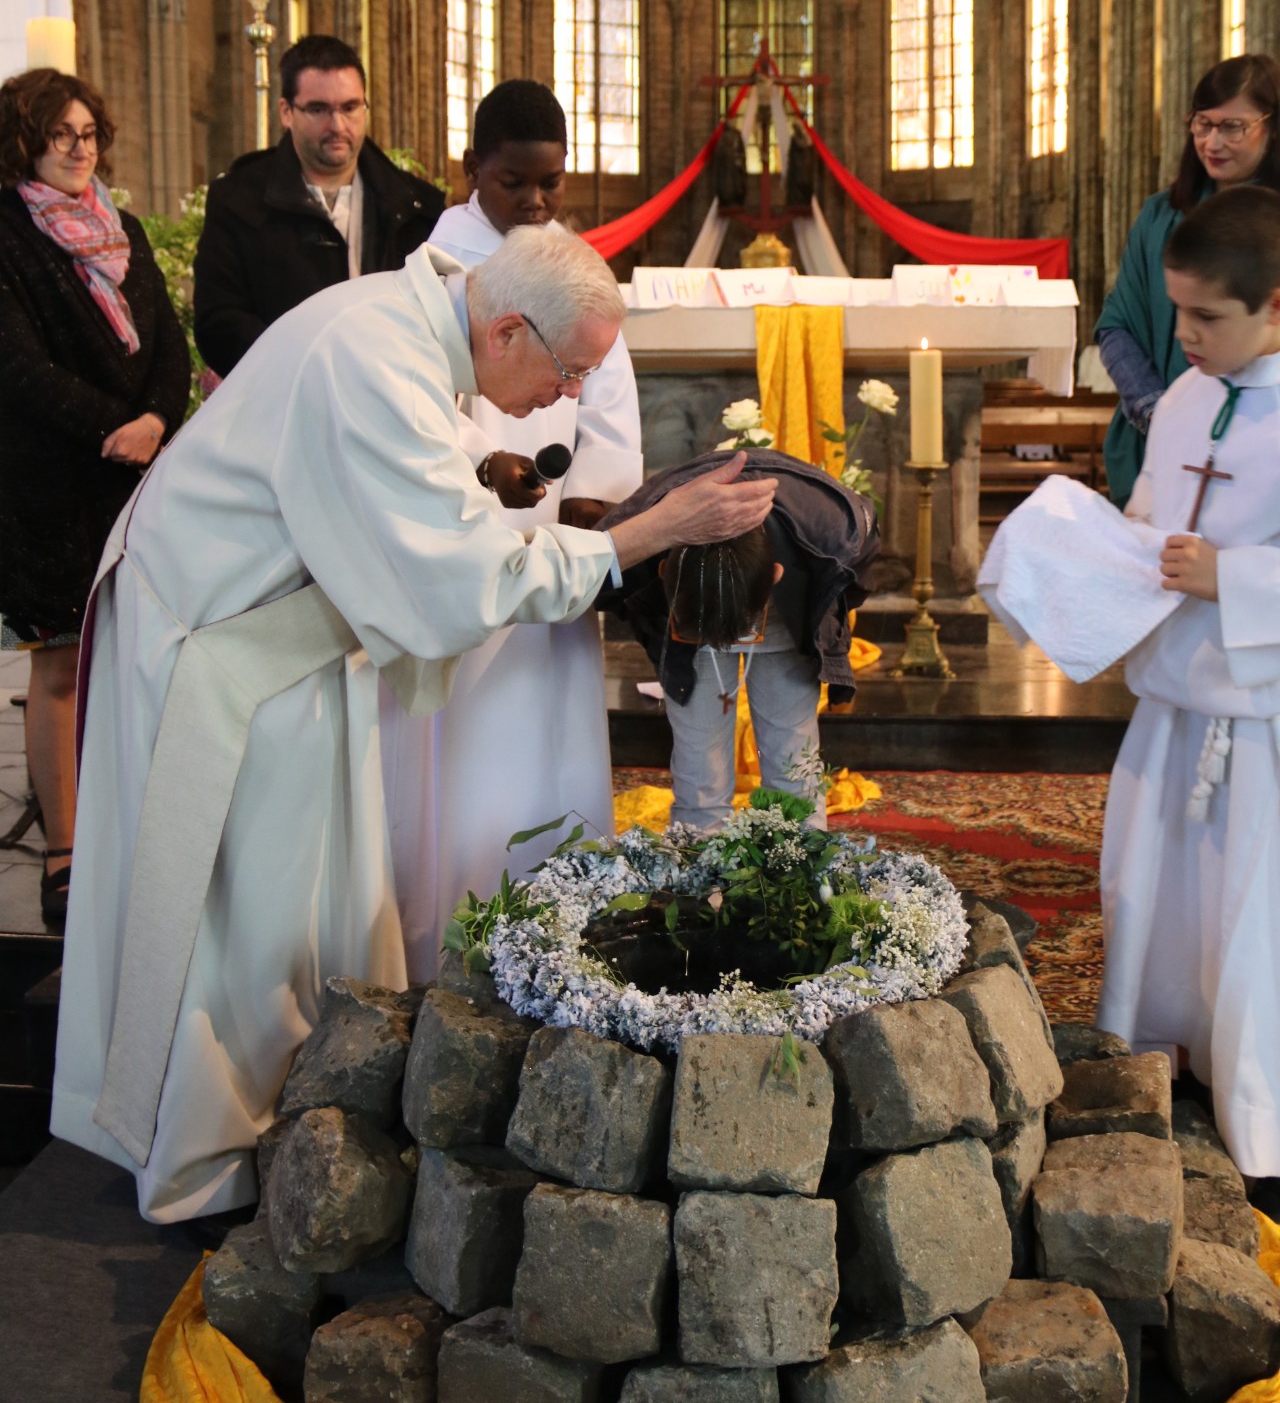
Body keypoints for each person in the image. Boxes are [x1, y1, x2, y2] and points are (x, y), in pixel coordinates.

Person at [50, 226, 775, 1222]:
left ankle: (293, 1126)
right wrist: (649, 534)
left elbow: (447, 539)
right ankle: (203, 1155)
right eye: (569, 372)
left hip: (280, 646)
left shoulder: (403, 331)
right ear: (510, 327)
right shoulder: (374, 359)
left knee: (315, 902)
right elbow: (462, 574)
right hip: (218, 655)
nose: (565, 400)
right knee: (242, 914)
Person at [383, 80, 643, 975]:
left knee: (549, 735)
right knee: (461, 743)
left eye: (551, 185)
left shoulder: (578, 274)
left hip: (556, 552)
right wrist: (477, 460)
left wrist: (594, 500)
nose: (534, 203)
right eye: (513, 184)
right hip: (460, 538)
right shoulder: (432, 266)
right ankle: (447, 935)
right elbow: (408, 389)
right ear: (472, 175)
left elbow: (608, 405)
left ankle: (561, 928)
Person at [1096, 186, 1280, 1176]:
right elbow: (1147, 507)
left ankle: (1250, 1094)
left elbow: (1218, 560)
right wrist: (1099, 557)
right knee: (1150, 897)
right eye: (1175, 311)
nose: (1182, 335)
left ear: (1274, 306)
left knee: (1246, 918)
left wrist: (1232, 579)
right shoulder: (1180, 397)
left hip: (1255, 724)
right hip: (1170, 705)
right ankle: (1157, 1058)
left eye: (1207, 317)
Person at [0, 69, 190, 921]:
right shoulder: (6, 233)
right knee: (61, 666)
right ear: (23, 140)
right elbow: (19, 368)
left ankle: (129, 827)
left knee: (128, 658)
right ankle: (65, 853)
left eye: (89, 133)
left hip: (134, 481)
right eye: (62, 133)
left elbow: (170, 348)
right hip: (46, 484)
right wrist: (118, 426)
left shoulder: (125, 228)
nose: (81, 148)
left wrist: (155, 416)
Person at [602, 449, 879, 830]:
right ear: (665, 572)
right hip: (689, 608)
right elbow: (600, 581)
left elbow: (856, 572)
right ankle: (700, 847)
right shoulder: (640, 527)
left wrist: (814, 610)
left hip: (786, 607)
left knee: (791, 750)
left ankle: (798, 856)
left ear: (777, 576)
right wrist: (676, 621)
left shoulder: (835, 529)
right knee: (699, 749)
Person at [192, 33, 445, 378]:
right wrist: (310, 363)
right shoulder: (237, 199)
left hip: (387, 392)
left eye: (350, 107)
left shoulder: (414, 207)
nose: (338, 125)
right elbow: (218, 322)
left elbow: (437, 319)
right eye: (318, 109)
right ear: (286, 112)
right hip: (281, 395)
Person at [1096, 53, 1280, 508]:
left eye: (1232, 127)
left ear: (1272, 126)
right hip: (1156, 438)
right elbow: (1117, 324)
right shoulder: (1161, 215)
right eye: (1202, 124)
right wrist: (1162, 414)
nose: (1212, 142)